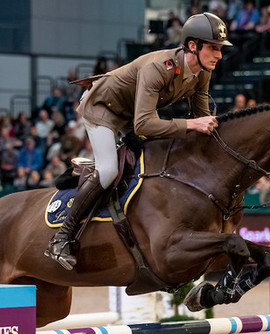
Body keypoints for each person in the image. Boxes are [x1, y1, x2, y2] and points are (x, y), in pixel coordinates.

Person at [45, 12, 229, 270]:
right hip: (103, 109)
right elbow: (147, 124)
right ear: (192, 46)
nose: (219, 55)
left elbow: (202, 118)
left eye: (220, 49)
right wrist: (191, 125)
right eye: (213, 48)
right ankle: (61, 237)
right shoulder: (159, 67)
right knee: (108, 171)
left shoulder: (202, 72)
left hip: (130, 117)